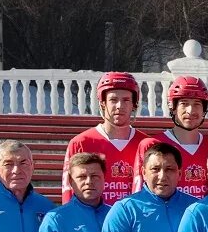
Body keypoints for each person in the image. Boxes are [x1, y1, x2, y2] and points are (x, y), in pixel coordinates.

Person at [62, 72, 147, 204]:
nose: (119, 106)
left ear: (134, 104)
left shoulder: (146, 144)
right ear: (102, 103)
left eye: (126, 100)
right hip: (94, 222)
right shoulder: (80, 143)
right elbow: (69, 192)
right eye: (113, 100)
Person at [133, 76, 208, 199]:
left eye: (197, 104)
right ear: (173, 107)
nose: (190, 110)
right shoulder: (152, 144)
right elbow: (139, 197)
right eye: (184, 104)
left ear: (204, 109)